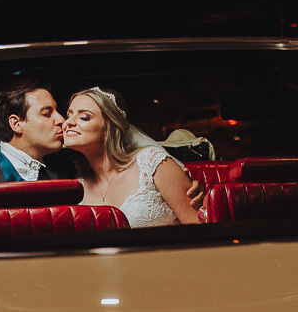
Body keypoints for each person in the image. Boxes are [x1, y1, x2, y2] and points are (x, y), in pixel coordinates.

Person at [0, 79, 203, 212]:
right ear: (16, 123)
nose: (62, 121)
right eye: (48, 113)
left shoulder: (71, 169)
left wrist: (179, 184)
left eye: (59, 111)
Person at [63, 87, 201, 227]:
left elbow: (199, 225)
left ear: (110, 127)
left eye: (84, 117)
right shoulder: (78, 187)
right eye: (68, 115)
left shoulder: (152, 163)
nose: (68, 122)